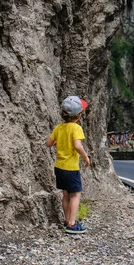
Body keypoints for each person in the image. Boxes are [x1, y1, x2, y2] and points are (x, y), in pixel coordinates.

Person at [46, 95, 90, 234]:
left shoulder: (59, 128)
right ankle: (72, 224)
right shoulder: (76, 128)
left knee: (65, 195)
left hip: (59, 167)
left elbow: (48, 143)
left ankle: (67, 220)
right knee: (75, 195)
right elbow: (77, 145)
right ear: (79, 115)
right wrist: (85, 157)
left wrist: (59, 143)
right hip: (71, 168)